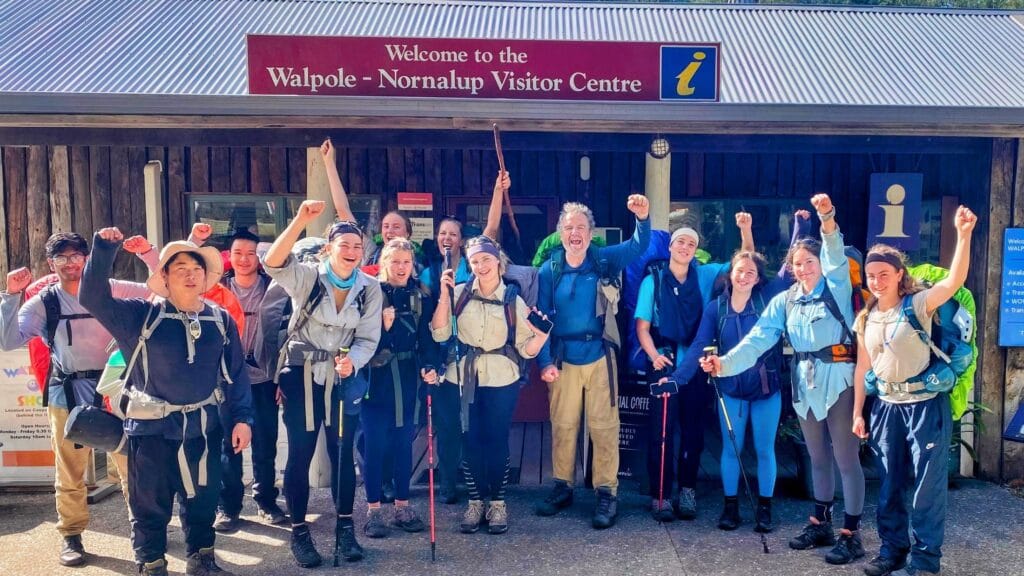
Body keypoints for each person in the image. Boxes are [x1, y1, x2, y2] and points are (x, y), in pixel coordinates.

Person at [700, 194, 867, 566]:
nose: (804, 268)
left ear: (821, 263)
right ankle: (820, 522)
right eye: (798, 264)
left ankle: (851, 533)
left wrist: (826, 217)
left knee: (845, 457)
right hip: (805, 382)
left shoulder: (836, 284)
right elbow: (758, 340)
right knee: (818, 456)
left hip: (839, 379)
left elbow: (836, 251)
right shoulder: (786, 300)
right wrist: (723, 364)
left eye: (810, 262)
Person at [80, 228, 253, 576]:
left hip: (203, 428)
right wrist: (104, 250)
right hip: (151, 429)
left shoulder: (219, 320)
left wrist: (242, 418)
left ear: (206, 276)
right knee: (149, 504)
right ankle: (151, 563)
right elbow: (93, 298)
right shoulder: (140, 316)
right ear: (164, 277)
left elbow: (235, 373)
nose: (190, 275)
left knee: (202, 500)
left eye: (197, 268)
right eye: (180, 269)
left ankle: (202, 559)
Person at [0, 232, 147, 568]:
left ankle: (144, 529)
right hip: (67, 395)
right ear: (51, 264)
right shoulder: (45, 302)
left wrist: (148, 256)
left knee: (131, 465)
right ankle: (71, 535)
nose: (71, 263)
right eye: (62, 257)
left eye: (77, 255)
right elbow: (8, 339)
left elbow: (159, 292)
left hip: (116, 393)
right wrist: (10, 295)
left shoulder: (115, 288)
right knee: (70, 471)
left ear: (88, 258)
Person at [852, 206, 977, 576]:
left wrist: (963, 235)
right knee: (889, 485)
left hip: (925, 405)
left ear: (899, 275)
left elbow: (953, 281)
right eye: (872, 275)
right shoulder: (865, 317)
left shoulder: (918, 305)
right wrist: (859, 412)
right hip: (886, 407)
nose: (877, 281)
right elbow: (863, 367)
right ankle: (892, 551)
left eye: (884, 274)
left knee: (927, 488)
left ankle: (924, 563)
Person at [261, 200, 382, 568]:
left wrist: (353, 362)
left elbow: (368, 337)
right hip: (301, 375)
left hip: (342, 376)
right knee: (300, 452)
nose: (351, 252)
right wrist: (300, 220)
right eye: (343, 245)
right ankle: (299, 532)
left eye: (357, 246)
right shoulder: (310, 276)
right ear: (328, 248)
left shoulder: (369, 287)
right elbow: (274, 262)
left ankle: (346, 529)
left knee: (343, 453)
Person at [535, 195, 651, 529]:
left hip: (600, 355)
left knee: (604, 428)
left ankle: (606, 493)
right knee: (564, 425)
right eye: (569, 227)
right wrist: (544, 362)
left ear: (590, 232)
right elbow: (540, 322)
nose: (575, 233)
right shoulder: (550, 270)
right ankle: (562, 486)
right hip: (563, 358)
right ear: (560, 233)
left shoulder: (602, 260)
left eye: (581, 227)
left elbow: (637, 247)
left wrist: (642, 218)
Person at [635, 213, 753, 521]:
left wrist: (745, 230)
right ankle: (661, 495)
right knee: (662, 430)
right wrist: (652, 355)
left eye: (691, 243)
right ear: (671, 246)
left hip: (697, 362)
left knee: (693, 429)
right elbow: (643, 326)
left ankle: (687, 489)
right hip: (664, 359)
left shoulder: (704, 275)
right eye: (680, 242)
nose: (685, 247)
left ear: (695, 249)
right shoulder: (654, 280)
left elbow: (744, 264)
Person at [431, 236, 550, 534]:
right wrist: (444, 295)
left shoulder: (513, 299)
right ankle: (475, 501)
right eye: (474, 261)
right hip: (463, 377)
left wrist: (543, 337)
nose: (481, 266)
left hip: (501, 378)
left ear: (498, 261)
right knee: (469, 439)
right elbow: (440, 333)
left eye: (486, 259)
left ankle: (497, 502)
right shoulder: (458, 294)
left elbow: (525, 348)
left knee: (496, 440)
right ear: (468, 265)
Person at [209, 228, 289, 530]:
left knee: (265, 445)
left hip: (264, 378)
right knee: (228, 447)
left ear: (260, 257)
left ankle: (267, 501)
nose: (244, 259)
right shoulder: (216, 288)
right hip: (226, 381)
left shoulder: (275, 288)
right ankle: (228, 507)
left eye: (251, 253)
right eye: (237, 253)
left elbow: (286, 334)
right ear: (229, 256)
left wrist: (281, 375)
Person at [361, 238, 435, 538]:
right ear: (384, 264)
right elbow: (362, 342)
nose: (401, 267)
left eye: (406, 262)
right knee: (374, 445)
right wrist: (385, 330)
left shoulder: (420, 295)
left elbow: (427, 338)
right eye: (395, 262)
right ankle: (373, 510)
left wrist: (431, 365)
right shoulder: (371, 295)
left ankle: (403, 506)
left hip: (407, 379)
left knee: (404, 444)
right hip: (375, 380)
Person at [321, 138, 417, 265]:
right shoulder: (371, 252)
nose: (390, 231)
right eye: (386, 226)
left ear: (407, 233)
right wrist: (328, 162)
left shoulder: (419, 265)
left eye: (396, 226)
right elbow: (343, 209)